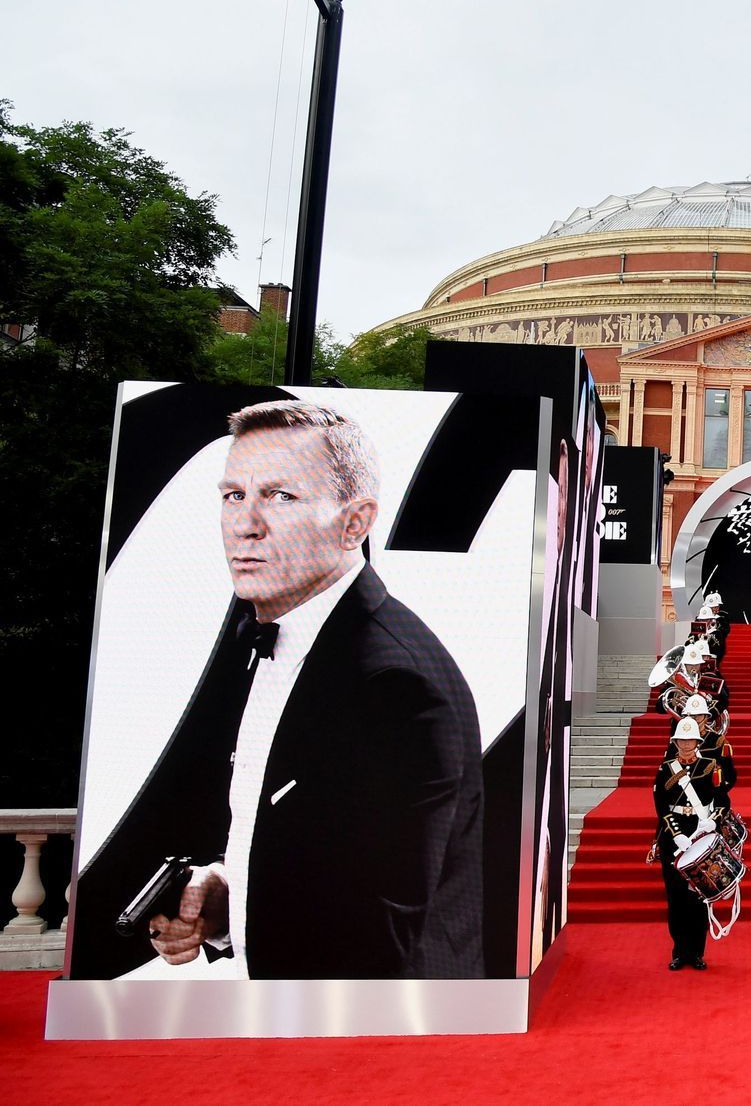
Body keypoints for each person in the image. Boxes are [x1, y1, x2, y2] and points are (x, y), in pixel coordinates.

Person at [81, 399, 484, 982]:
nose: (245, 524)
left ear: (355, 523)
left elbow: (381, 932)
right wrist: (223, 899)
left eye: (281, 496)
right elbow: (317, 859)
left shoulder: (393, 683)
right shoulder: (289, 637)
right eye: (234, 495)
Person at [657, 717, 731, 971]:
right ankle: (679, 951)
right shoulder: (666, 769)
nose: (686, 745)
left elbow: (723, 802)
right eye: (681, 740)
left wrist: (712, 822)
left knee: (698, 898)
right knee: (676, 898)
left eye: (690, 740)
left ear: (697, 742)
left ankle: (697, 952)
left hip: (701, 835)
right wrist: (676, 834)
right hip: (674, 837)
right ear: (675, 742)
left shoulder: (711, 766)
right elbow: (661, 808)